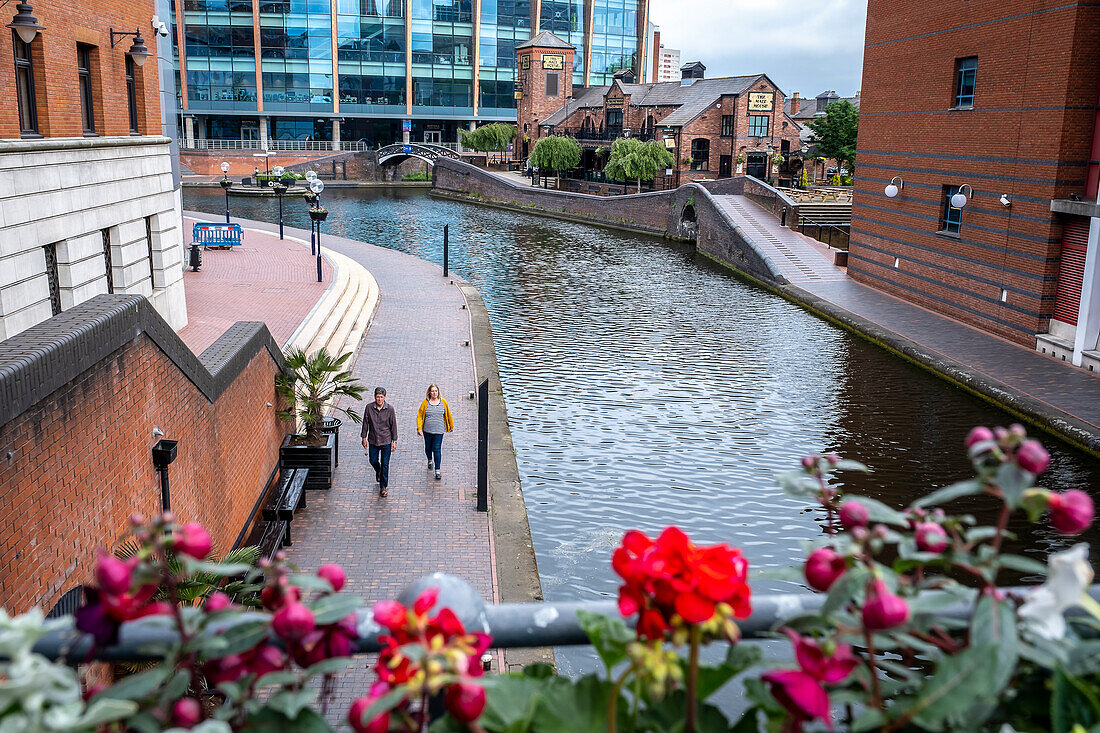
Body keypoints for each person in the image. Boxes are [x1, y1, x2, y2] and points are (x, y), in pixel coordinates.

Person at [361, 386, 398, 497]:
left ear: (384, 397)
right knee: (373, 460)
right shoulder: (369, 408)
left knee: (385, 464)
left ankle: (383, 487)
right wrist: (363, 437)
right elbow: (365, 423)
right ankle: (378, 470)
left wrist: (394, 440)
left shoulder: (390, 409)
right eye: (377, 397)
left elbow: (393, 425)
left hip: (386, 439)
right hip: (373, 439)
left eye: (381, 397)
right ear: (374, 397)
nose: (379, 399)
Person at [416, 384, 454, 480]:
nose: (434, 393)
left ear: (438, 392)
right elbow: (420, 415)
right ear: (429, 392)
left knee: (437, 448)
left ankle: (437, 470)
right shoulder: (425, 403)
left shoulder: (443, 402)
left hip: (439, 430)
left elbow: (448, 413)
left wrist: (451, 425)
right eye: (432, 391)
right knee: (428, 447)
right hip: (427, 430)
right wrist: (419, 428)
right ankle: (429, 459)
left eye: (436, 391)